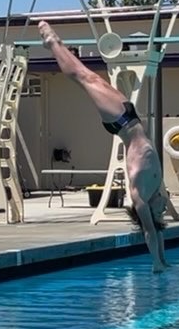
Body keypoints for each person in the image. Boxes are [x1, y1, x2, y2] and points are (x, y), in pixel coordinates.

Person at [37, 21, 170, 273]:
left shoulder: (141, 198)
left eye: (160, 210)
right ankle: (57, 45)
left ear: (149, 213)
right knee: (88, 77)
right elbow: (159, 230)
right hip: (129, 117)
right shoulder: (154, 191)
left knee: (83, 78)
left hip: (119, 121)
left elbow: (151, 232)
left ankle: (52, 43)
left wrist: (156, 264)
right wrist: (165, 260)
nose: (164, 206)